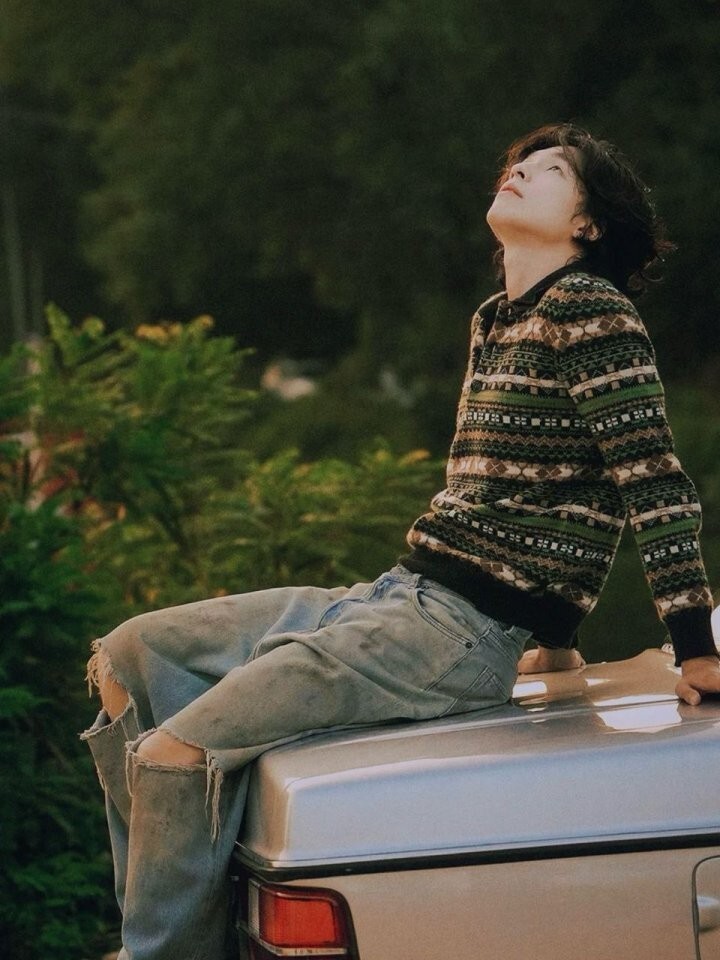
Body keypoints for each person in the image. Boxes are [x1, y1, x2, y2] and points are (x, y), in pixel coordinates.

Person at [82, 123, 720, 960]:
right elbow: (516, 494)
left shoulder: (592, 310)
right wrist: (558, 636)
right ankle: (169, 918)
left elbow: (649, 479)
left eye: (552, 169)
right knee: (127, 657)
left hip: (451, 632)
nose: (521, 171)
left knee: (175, 753)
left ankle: (160, 951)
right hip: (399, 596)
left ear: (587, 223)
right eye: (519, 163)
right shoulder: (497, 320)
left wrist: (694, 647)